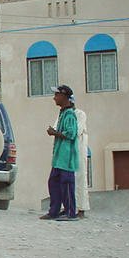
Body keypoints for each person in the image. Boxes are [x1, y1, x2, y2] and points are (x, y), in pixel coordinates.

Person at [40, 85, 79, 221]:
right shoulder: (63, 113)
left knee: (67, 185)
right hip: (58, 158)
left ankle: (71, 212)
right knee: (54, 183)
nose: (54, 98)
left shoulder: (70, 115)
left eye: (57, 95)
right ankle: (54, 211)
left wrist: (54, 132)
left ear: (64, 96)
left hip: (66, 158)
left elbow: (71, 134)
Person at [71, 97, 90, 218]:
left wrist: (63, 133)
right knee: (67, 178)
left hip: (79, 147)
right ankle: (68, 207)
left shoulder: (80, 114)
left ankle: (81, 208)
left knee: (81, 177)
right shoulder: (63, 115)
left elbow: (76, 131)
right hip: (67, 150)